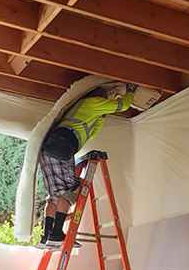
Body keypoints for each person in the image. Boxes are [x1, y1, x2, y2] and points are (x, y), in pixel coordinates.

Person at [38, 82, 136, 248]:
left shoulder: (80, 108)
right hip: (63, 148)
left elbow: (92, 133)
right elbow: (122, 105)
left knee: (53, 195)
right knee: (68, 192)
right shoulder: (93, 103)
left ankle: (46, 235)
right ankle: (56, 234)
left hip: (49, 149)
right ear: (97, 98)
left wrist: (102, 115)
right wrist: (131, 92)